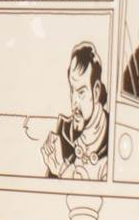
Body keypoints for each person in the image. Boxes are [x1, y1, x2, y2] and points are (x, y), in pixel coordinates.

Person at [26, 42, 109, 179]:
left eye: (81, 92)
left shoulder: (112, 136)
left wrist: (63, 170)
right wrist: (53, 165)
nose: (74, 102)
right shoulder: (65, 133)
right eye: (72, 90)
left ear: (96, 92)